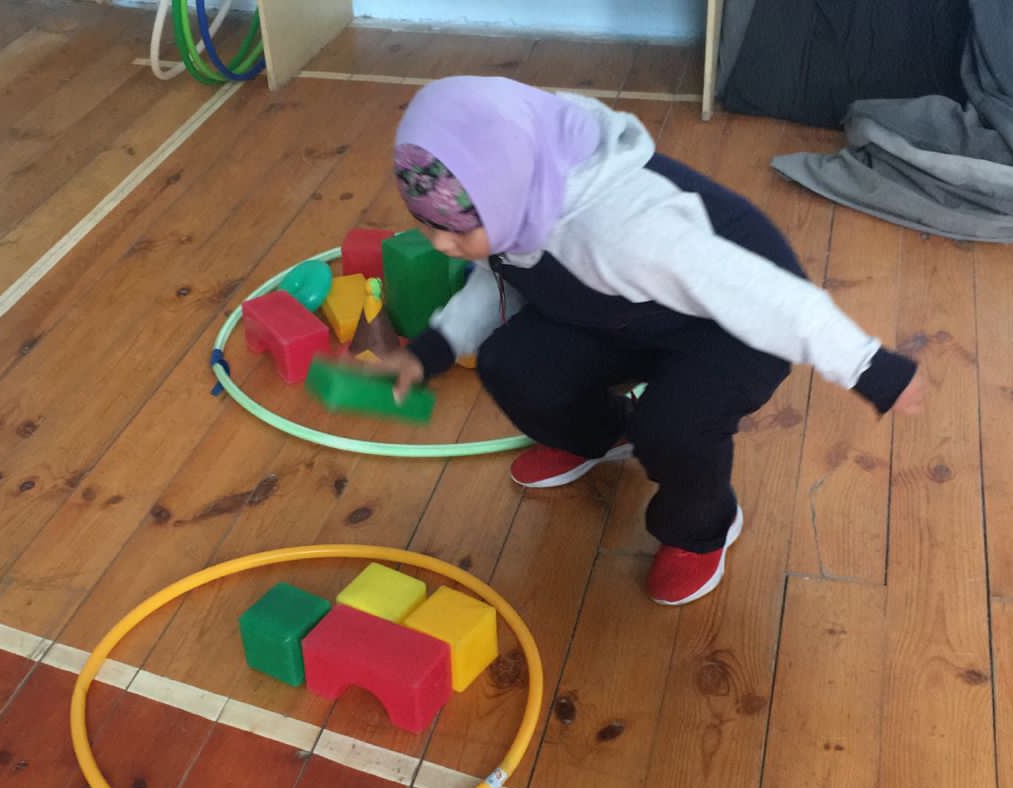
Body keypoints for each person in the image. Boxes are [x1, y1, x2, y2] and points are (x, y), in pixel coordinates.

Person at [366, 76, 924, 607]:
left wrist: (870, 367)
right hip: (626, 312)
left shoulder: (623, 230)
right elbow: (501, 275)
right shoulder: (514, 195)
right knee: (511, 361)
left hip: (736, 325)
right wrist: (433, 349)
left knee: (675, 428)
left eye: (457, 229)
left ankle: (701, 530)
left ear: (505, 194)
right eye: (426, 224)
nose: (440, 244)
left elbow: (768, 296)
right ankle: (602, 435)